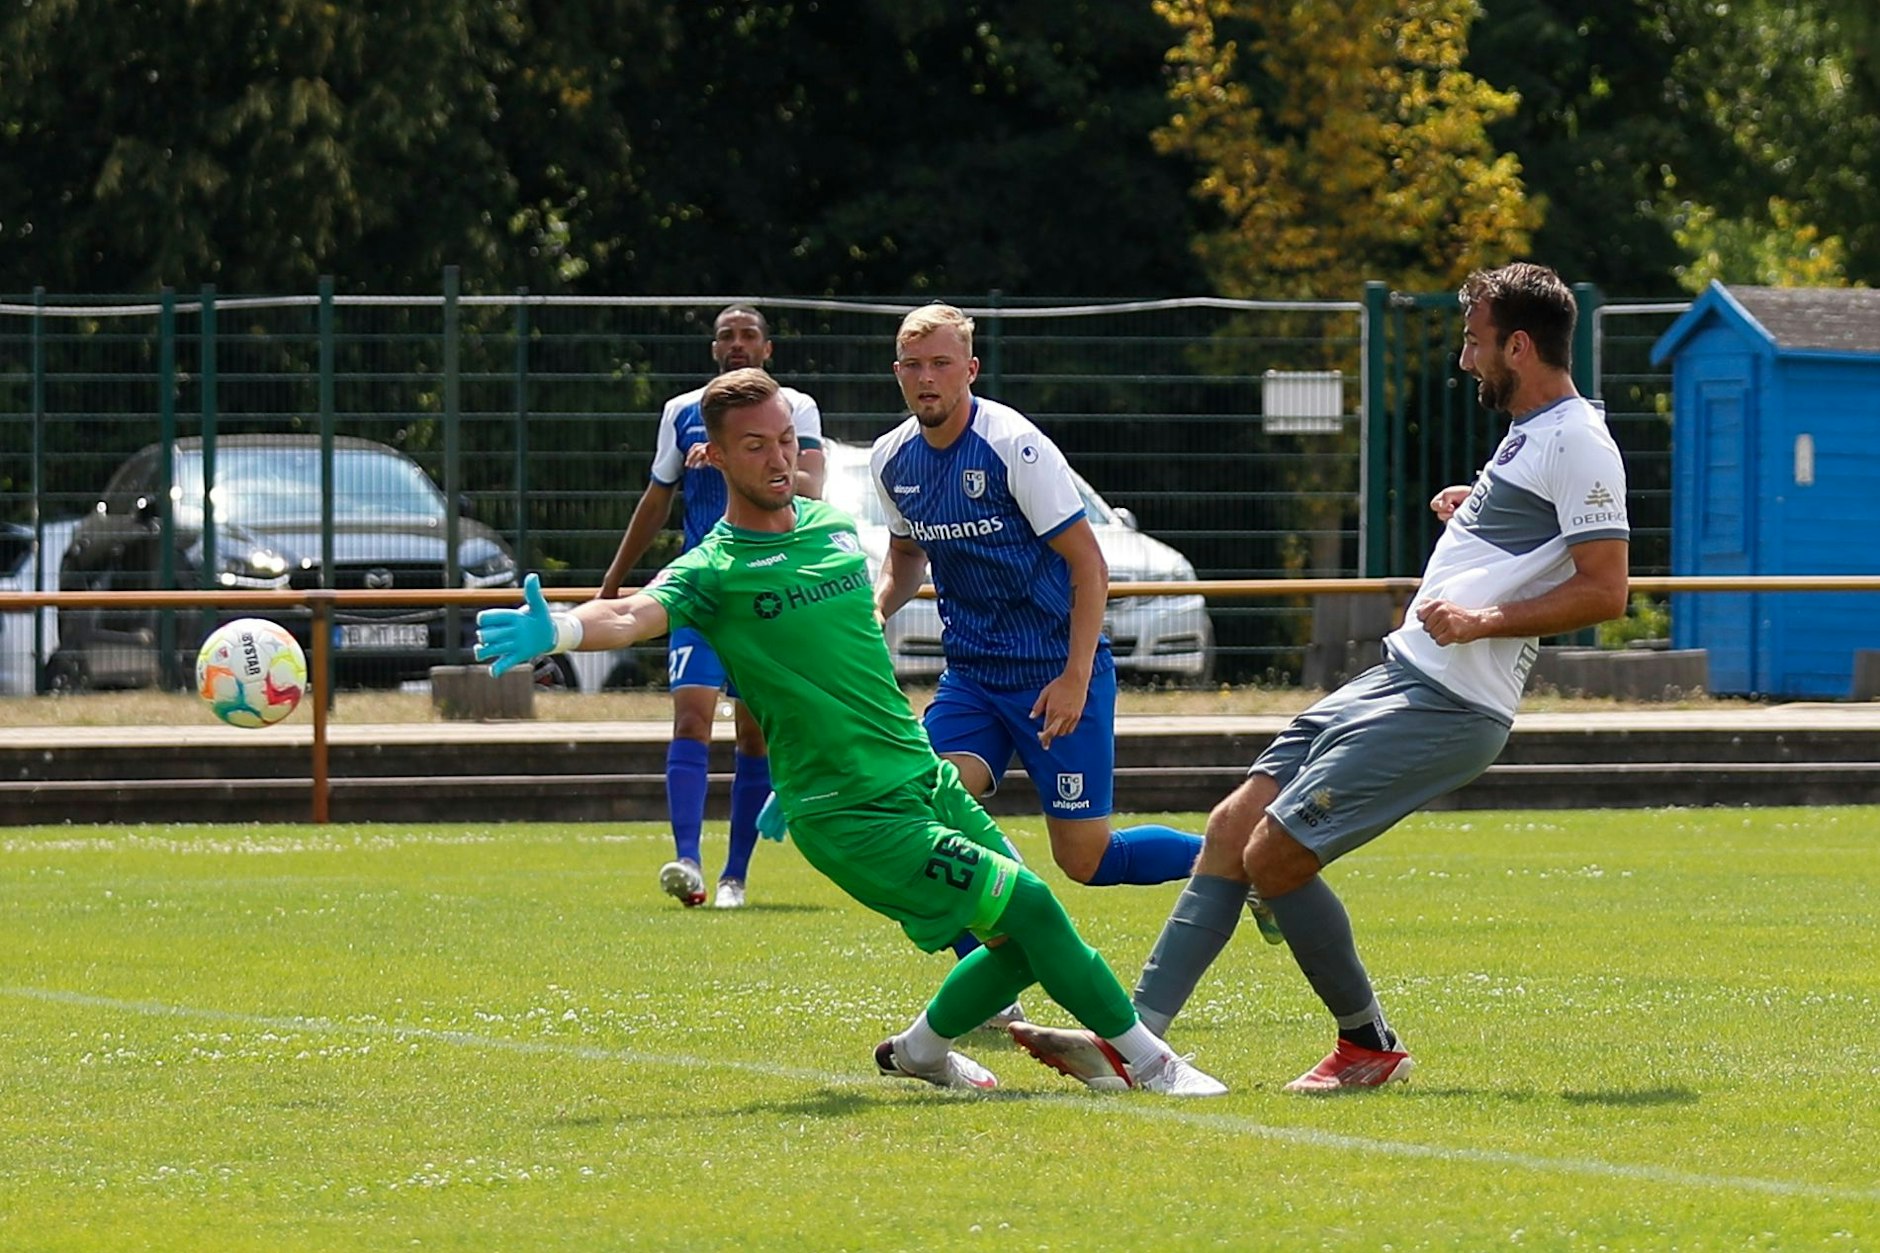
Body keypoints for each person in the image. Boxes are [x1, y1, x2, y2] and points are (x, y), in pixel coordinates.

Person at [477, 368, 1227, 1096]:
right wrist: (569, 626)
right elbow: (634, 612)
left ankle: (920, 1051)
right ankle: (1152, 1064)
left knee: (1027, 939)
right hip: (850, 811)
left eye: (787, 441)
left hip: (920, 779)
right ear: (713, 456)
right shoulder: (713, 567)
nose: (780, 459)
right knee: (1029, 903)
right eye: (756, 446)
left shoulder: (833, 525)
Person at [1007, 262, 1631, 1093]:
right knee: (1233, 825)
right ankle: (1135, 1041)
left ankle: (1367, 1045)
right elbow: (1532, 539)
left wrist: (1480, 621)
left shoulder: (1579, 438)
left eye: (1475, 343)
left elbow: (1606, 588)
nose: (1463, 360)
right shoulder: (1531, 433)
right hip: (1401, 673)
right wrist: (1471, 503)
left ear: (1520, 345)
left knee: (1278, 856)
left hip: (1451, 701)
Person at [868, 303, 1222, 899]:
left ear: (970, 369)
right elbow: (906, 558)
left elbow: (1090, 563)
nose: (926, 378)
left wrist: (1075, 678)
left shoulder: (1014, 446)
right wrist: (876, 608)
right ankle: (998, 973)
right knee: (928, 806)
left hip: (1055, 674)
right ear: (897, 372)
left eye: (940, 364)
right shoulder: (892, 458)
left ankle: (1240, 860)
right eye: (913, 365)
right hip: (974, 677)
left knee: (1087, 859)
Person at [597, 305, 825, 910]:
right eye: (727, 335)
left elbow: (811, 488)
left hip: (765, 592)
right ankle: (689, 862)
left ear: (768, 350)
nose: (738, 344)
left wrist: (739, 458)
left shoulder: (795, 408)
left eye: (749, 335)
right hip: (701, 591)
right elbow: (655, 501)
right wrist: (613, 582)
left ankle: (736, 876)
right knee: (691, 718)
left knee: (753, 734)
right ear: (714, 349)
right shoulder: (683, 413)